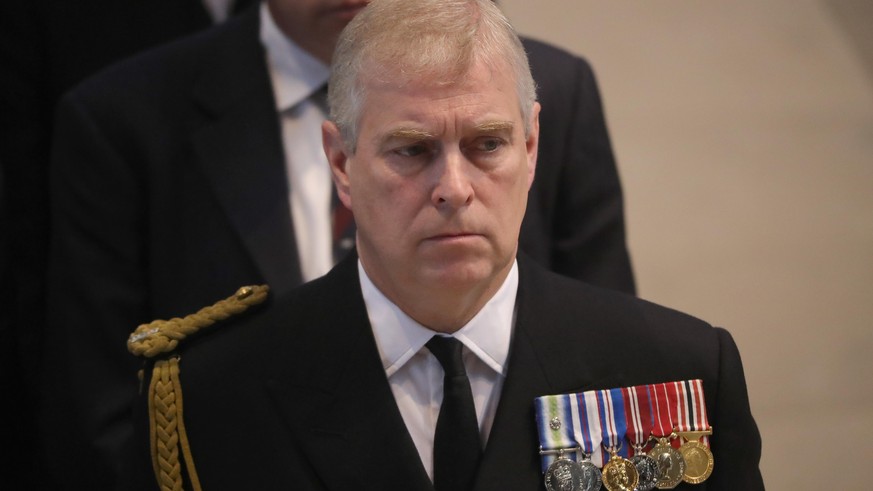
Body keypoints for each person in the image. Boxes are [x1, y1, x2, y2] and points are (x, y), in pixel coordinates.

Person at [121, 0, 763, 489]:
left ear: (532, 147)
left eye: (488, 144)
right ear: (341, 162)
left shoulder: (679, 367)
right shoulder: (214, 393)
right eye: (411, 150)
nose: (454, 188)